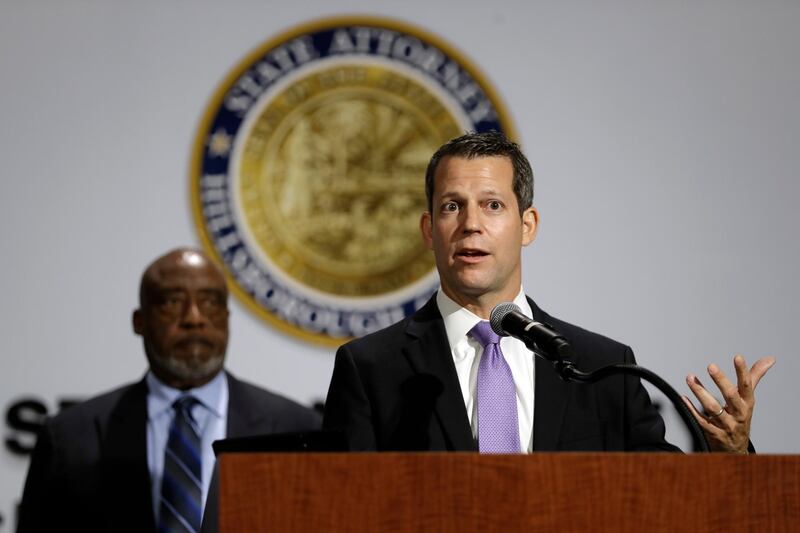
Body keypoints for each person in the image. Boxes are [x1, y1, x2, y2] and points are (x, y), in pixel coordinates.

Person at [323, 131, 774, 453]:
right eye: (451, 206)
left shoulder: (601, 368)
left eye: (493, 205)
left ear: (527, 226)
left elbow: (664, 503)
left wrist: (729, 457)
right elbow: (343, 511)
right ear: (429, 230)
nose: (471, 224)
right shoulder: (370, 370)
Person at [18, 248, 321, 533]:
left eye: (211, 302)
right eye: (172, 302)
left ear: (227, 319)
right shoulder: (70, 438)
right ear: (139, 321)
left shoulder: (298, 430)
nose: (193, 318)